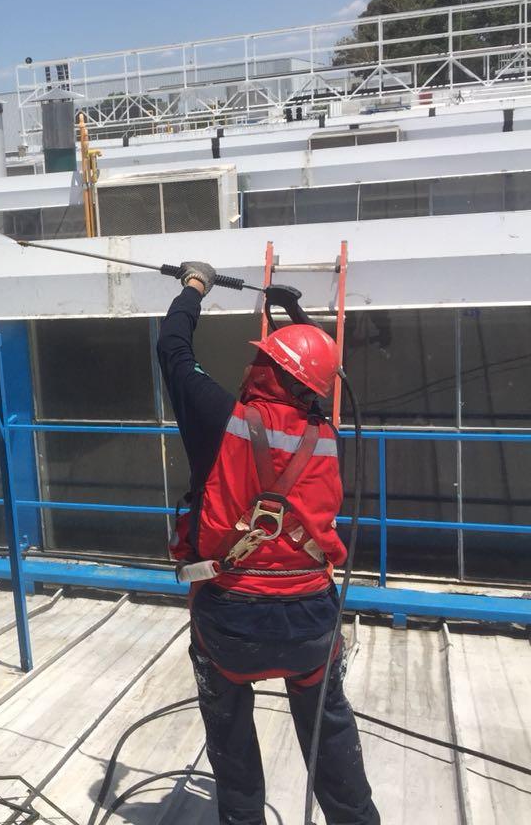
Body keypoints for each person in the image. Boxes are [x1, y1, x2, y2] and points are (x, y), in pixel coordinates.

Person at [156, 261, 379, 825]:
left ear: (267, 368)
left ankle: (242, 817)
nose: (253, 360)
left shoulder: (217, 418)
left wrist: (194, 287)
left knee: (229, 725)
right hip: (311, 620)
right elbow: (309, 371)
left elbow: (174, 350)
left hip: (230, 620)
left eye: (262, 356)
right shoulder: (325, 434)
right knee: (328, 724)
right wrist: (297, 318)